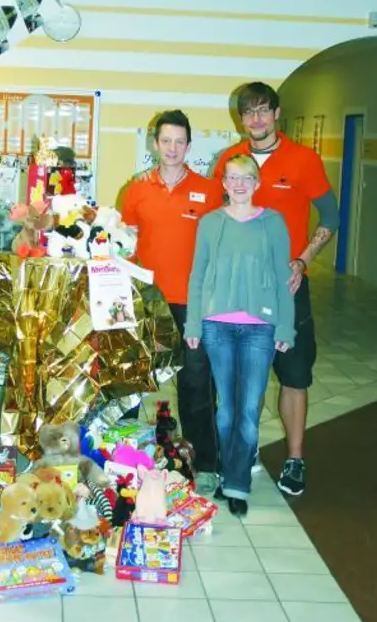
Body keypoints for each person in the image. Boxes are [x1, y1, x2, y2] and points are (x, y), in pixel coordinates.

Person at [210, 82, 337, 497]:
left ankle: (295, 459)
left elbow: (332, 216)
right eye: (249, 113)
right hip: (237, 292)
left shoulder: (303, 159)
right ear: (241, 119)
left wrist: (302, 260)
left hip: (286, 288)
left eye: (264, 111)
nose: (257, 120)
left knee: (294, 376)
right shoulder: (229, 161)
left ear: (277, 113)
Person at [185, 155, 296, 518]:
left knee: (248, 409)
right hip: (216, 325)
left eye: (246, 177)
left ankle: (236, 483)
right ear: (223, 182)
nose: (238, 184)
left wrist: (285, 326)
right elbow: (197, 276)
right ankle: (224, 470)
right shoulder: (210, 223)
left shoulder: (273, 224)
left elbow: (284, 279)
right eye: (232, 178)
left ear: (257, 181)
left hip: (259, 329)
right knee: (226, 411)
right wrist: (193, 325)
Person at [120, 110, 223, 495]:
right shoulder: (136, 189)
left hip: (194, 302)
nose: (172, 148)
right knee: (133, 381)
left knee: (196, 383)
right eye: (166, 141)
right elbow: (125, 243)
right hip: (145, 300)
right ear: (155, 144)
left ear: (189, 146)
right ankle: (122, 454)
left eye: (180, 142)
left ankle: (205, 462)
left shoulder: (210, 191)